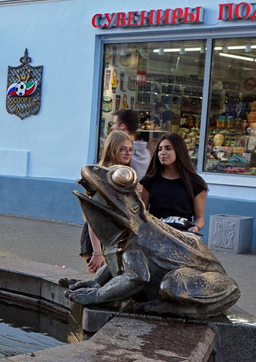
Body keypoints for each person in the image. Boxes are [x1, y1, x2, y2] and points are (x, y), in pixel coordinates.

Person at [81, 130, 135, 273]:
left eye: (130, 149)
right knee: (101, 284)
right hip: (98, 238)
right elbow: (93, 217)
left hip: (115, 238)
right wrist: (97, 252)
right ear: (112, 150)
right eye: (122, 149)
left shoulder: (126, 174)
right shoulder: (102, 176)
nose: (127, 153)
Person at [140, 132, 208, 235]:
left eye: (168, 148)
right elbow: (141, 213)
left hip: (182, 238)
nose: (162, 153)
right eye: (160, 149)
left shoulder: (196, 183)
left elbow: (200, 218)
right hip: (155, 237)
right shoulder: (150, 180)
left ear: (179, 151)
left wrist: (195, 227)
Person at [112, 108, 150, 178]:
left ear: (122, 127)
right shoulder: (146, 153)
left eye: (114, 123)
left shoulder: (120, 154)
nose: (112, 127)